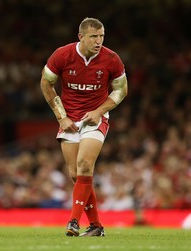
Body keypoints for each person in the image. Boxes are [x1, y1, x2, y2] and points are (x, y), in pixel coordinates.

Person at [40, 17, 128, 237]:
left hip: (95, 119)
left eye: (101, 36)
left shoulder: (111, 59)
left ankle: (73, 222)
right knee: (76, 175)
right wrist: (61, 117)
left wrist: (99, 111)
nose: (98, 41)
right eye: (93, 37)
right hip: (69, 118)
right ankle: (96, 226)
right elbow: (46, 83)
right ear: (81, 37)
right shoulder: (62, 55)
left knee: (85, 165)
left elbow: (121, 90)